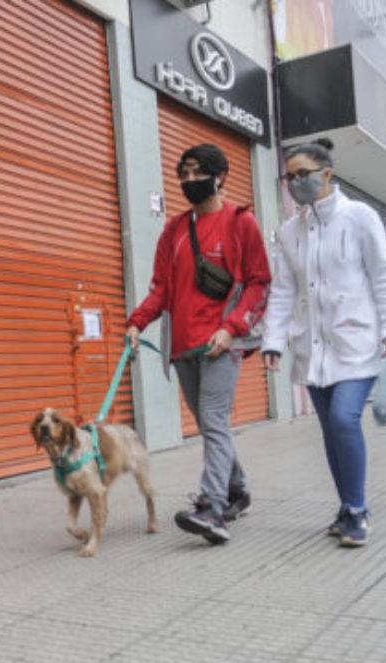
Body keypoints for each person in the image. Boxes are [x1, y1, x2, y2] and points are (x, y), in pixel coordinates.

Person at [261, 138, 386, 548]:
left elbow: (384, 275)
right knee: (329, 430)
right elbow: (283, 291)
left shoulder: (359, 217)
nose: (295, 183)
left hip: (357, 341)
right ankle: (346, 507)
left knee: (345, 419)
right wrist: (273, 340)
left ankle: (358, 511)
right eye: (289, 177)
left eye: (302, 174)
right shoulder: (290, 231)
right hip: (312, 347)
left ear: (327, 174)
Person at [126, 144, 272, 545]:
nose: (189, 180)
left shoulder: (241, 223)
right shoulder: (174, 230)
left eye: (197, 172)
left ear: (220, 175)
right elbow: (161, 289)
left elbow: (259, 282)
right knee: (211, 424)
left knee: (212, 417)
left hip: (223, 343)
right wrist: (138, 322)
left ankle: (213, 508)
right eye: (183, 173)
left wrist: (232, 327)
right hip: (184, 347)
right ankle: (238, 489)